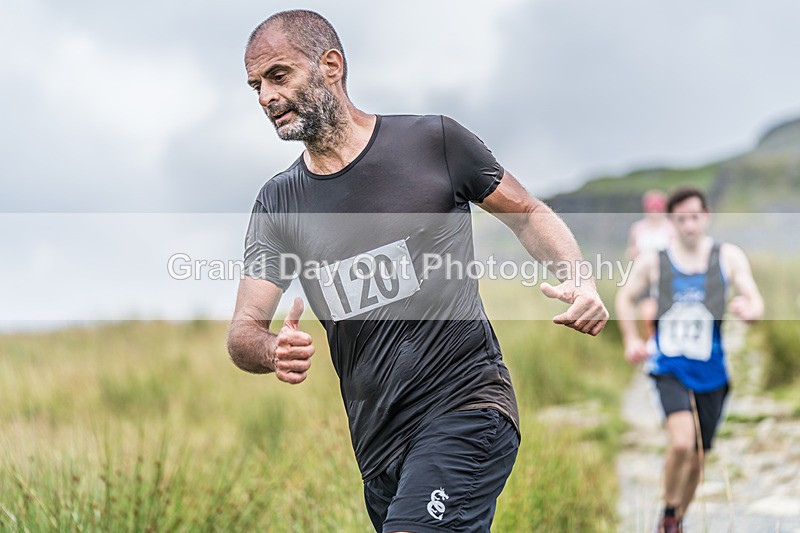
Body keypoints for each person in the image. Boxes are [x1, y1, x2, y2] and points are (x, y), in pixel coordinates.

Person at [227, 10, 608, 532]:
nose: (265, 97)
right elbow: (243, 331)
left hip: (467, 406)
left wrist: (579, 278)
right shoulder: (279, 203)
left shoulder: (434, 144)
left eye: (278, 75)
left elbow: (528, 214)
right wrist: (271, 350)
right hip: (379, 449)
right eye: (254, 86)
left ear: (331, 66)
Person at [615, 186, 763, 533]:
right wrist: (631, 339)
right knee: (681, 442)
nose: (690, 226)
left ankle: (677, 519)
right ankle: (667, 512)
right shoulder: (655, 260)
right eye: (682, 219)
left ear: (706, 216)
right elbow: (625, 297)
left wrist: (749, 310)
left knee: (698, 455)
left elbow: (754, 298)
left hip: (712, 370)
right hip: (669, 366)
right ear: (672, 222)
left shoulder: (727, 257)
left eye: (695, 218)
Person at [626, 190, 674, 338]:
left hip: (665, 278)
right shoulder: (638, 228)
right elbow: (631, 251)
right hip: (644, 278)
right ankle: (651, 344)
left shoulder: (670, 228)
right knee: (647, 314)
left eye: (657, 209)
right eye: (651, 209)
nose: (654, 213)